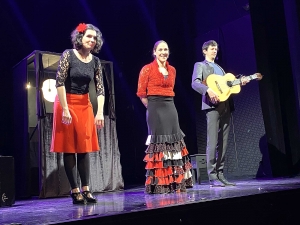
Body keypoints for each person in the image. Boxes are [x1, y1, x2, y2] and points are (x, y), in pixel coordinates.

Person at [50, 23, 105, 204]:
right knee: (70, 147)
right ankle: (75, 190)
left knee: (84, 148)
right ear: (80, 38)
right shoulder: (69, 55)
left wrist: (99, 112)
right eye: (89, 36)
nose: (92, 40)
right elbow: (59, 82)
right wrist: (65, 109)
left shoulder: (95, 61)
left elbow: (100, 89)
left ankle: (86, 189)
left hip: (84, 103)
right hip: (66, 102)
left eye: (94, 38)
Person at [137, 40, 193, 194]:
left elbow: (170, 89)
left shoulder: (173, 70)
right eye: (160, 49)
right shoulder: (147, 69)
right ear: (154, 52)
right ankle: (161, 183)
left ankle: (175, 182)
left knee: (174, 141)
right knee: (159, 142)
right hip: (154, 107)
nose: (163, 52)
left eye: (166, 49)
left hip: (170, 107)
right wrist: (152, 107)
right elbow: (141, 93)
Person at [191, 40, 248, 187]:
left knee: (224, 140)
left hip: (226, 105)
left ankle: (220, 173)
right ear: (204, 51)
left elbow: (227, 86)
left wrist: (240, 82)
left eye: (216, 49)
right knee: (213, 140)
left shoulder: (220, 68)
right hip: (212, 106)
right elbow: (195, 83)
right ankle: (212, 176)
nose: (214, 51)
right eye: (211, 48)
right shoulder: (201, 65)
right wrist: (207, 90)